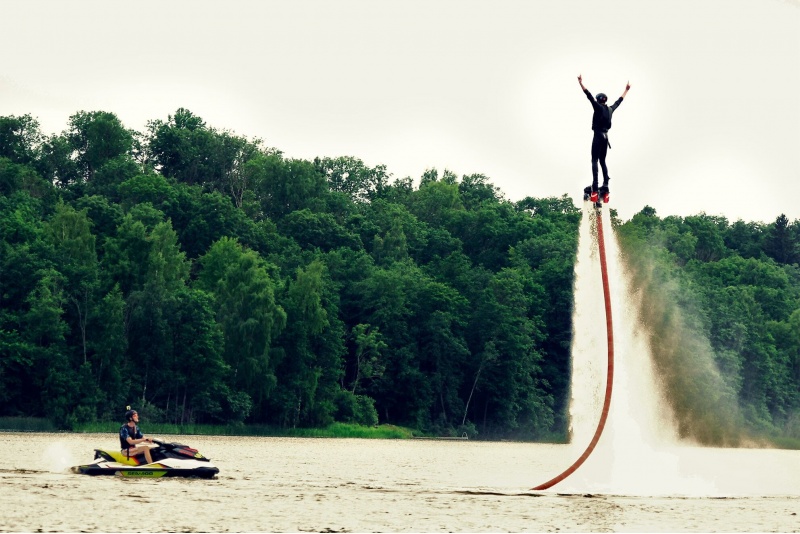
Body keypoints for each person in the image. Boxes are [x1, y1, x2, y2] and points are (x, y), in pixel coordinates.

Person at [578, 75, 630, 197]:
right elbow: (619, 102)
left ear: (598, 100)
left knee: (594, 160)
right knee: (602, 161)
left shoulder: (597, 107)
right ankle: (605, 186)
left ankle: (595, 187)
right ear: (605, 100)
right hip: (606, 137)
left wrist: (581, 83)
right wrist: (626, 90)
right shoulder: (610, 109)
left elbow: (588, 95)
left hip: (598, 135)